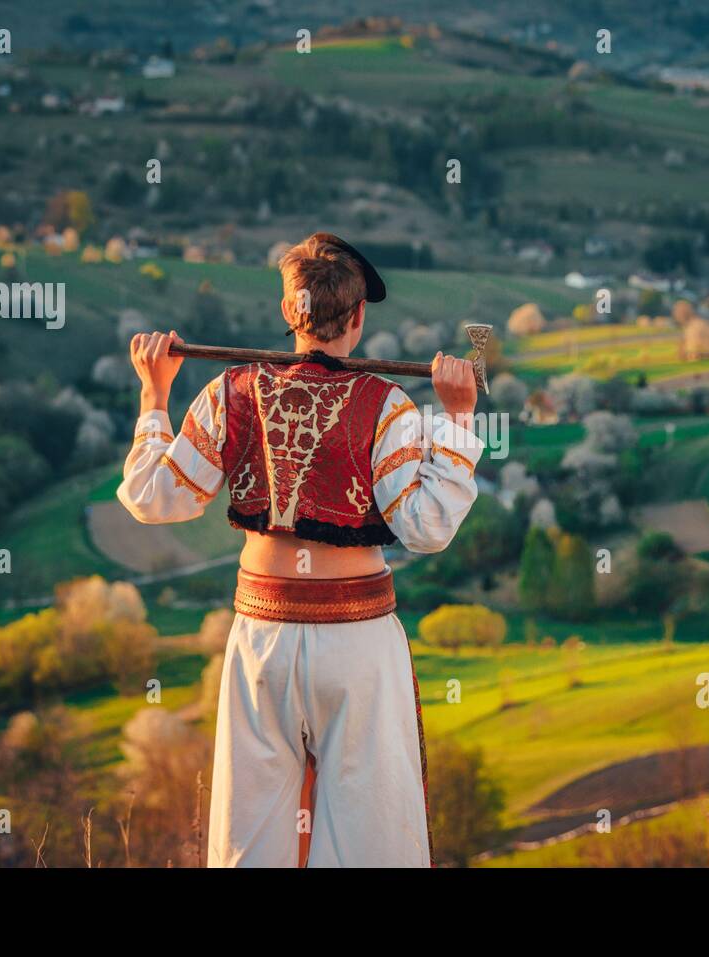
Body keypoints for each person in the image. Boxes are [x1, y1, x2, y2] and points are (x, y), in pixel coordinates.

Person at [118, 232, 483, 867]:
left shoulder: (230, 394)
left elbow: (154, 496)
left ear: (290, 312)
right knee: (373, 839)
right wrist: (458, 417)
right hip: (359, 642)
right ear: (359, 316)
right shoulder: (387, 406)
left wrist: (154, 394)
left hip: (262, 639)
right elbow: (426, 527)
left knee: (250, 838)